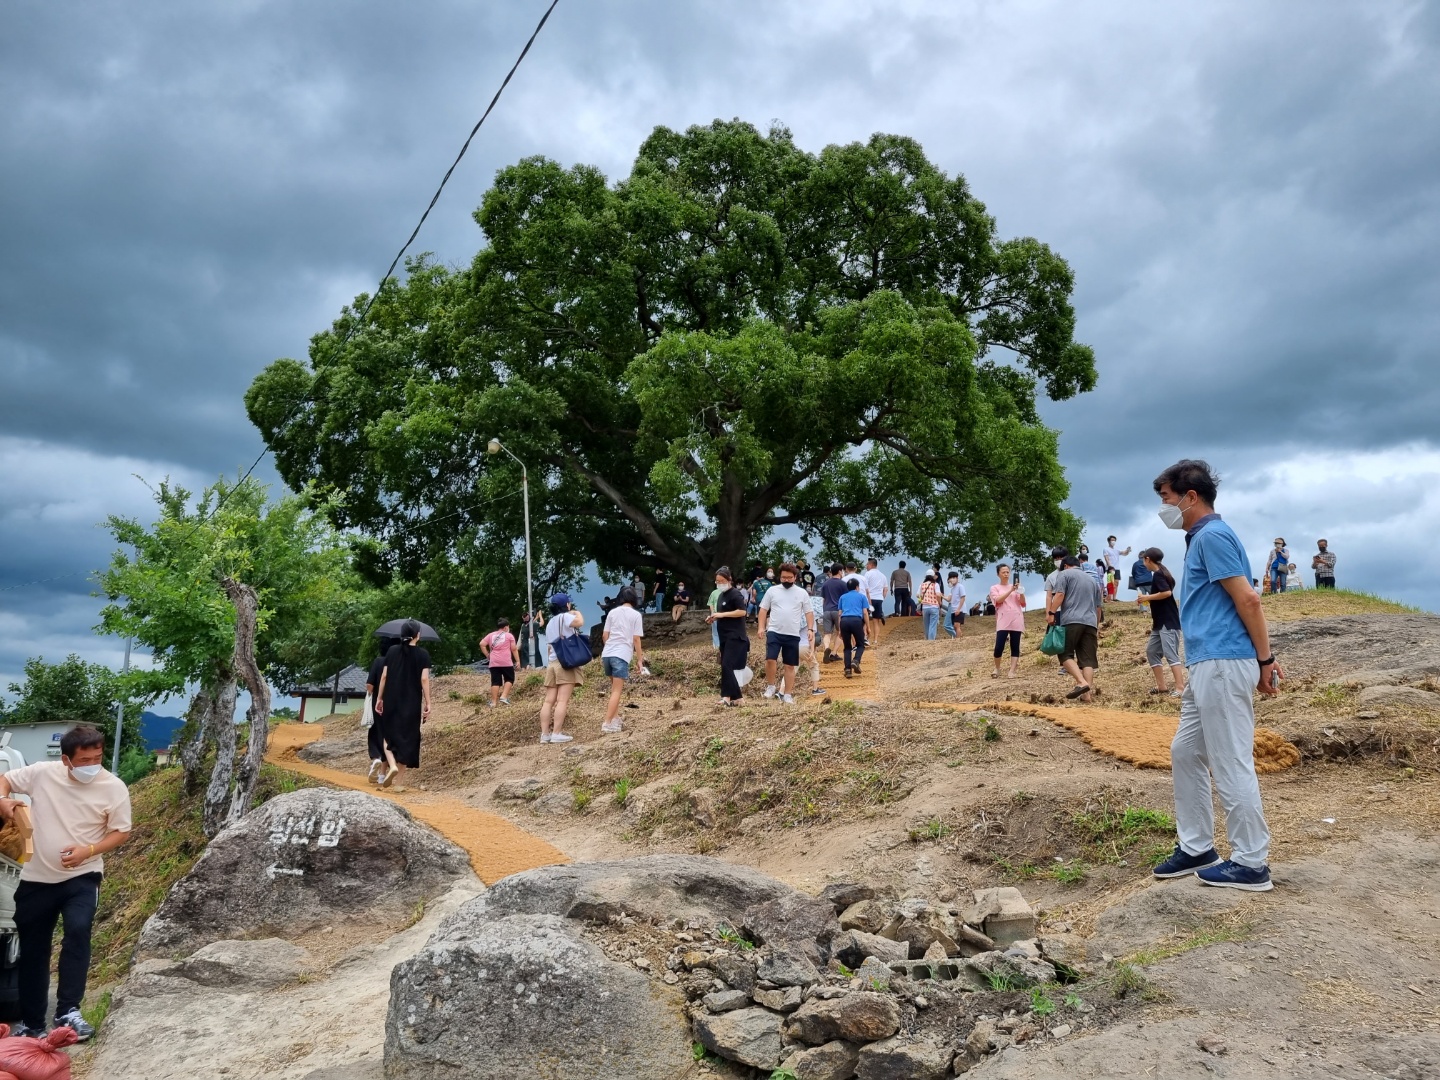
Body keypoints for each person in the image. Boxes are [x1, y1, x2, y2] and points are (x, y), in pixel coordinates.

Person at [1150, 459, 1280, 892]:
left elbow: (1249, 600)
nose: (1163, 507)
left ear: (1190, 497)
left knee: (1230, 759)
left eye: (1166, 498)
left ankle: (1250, 861)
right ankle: (1197, 847)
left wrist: (1265, 661)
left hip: (1224, 662)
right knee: (1185, 752)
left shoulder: (1213, 536)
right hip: (1206, 662)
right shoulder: (1201, 539)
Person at [0, 724, 131, 1042]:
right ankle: (33, 1023)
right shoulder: (42, 773)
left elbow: (121, 832)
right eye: (84, 760)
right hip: (36, 879)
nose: (92, 765)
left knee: (77, 929)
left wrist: (88, 850)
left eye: (97, 757)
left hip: (82, 877)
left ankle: (68, 1012)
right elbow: (5, 778)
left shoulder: (113, 787)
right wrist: (3, 800)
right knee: (33, 950)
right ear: (66, 760)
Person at [374, 620, 432, 787]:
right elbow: (424, 679)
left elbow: (384, 677)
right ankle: (399, 784)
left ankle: (391, 765)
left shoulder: (392, 651)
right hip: (412, 702)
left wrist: (379, 698)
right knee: (408, 738)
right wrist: (428, 702)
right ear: (418, 635)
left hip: (392, 698)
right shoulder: (423, 655)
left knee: (387, 735)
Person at [1047, 556, 1101, 701]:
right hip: (1090, 622)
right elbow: (1098, 607)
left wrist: (1051, 613)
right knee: (1087, 659)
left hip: (1071, 620)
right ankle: (1086, 695)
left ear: (1065, 566)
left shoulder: (1064, 575)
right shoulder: (1093, 581)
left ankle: (1081, 682)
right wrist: (1095, 625)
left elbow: (1059, 595)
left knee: (1065, 654)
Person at [759, 563, 813, 704]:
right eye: (783, 577)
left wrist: (811, 629)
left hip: (792, 634)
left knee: (789, 665)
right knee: (770, 659)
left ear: (795, 577)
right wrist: (760, 627)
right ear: (780, 577)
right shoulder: (772, 591)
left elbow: (809, 612)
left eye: (789, 577)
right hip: (774, 631)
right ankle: (771, 686)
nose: (786, 580)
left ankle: (787, 694)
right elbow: (763, 610)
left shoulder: (802, 593)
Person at [1136, 548, 1185, 696]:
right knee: (1152, 651)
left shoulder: (1158, 575)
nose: (1143, 563)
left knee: (1171, 655)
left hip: (1167, 622)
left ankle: (1180, 688)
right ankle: (1161, 686)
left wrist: (1147, 597)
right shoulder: (1162, 573)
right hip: (1159, 623)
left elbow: (1167, 593)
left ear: (1148, 559)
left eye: (1144, 560)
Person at [539, 594, 583, 744]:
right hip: (565, 663)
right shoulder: (565, 617)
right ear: (567, 605)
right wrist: (576, 612)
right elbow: (580, 622)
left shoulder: (550, 622)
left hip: (552, 663)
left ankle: (545, 735)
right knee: (562, 700)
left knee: (548, 701)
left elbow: (549, 647)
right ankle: (556, 733)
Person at [600, 587, 645, 734]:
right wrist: (640, 660)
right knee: (617, 691)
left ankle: (615, 719)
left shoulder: (612, 612)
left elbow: (604, 636)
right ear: (634, 598)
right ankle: (607, 723)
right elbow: (636, 639)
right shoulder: (636, 615)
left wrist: (609, 648)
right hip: (621, 655)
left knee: (614, 690)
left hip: (607, 654)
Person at [707, 566, 750, 705]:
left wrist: (722, 614)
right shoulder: (720, 596)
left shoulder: (735, 594)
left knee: (727, 665)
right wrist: (714, 617)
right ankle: (731, 697)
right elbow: (722, 615)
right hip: (724, 636)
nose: (719, 584)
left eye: (722, 581)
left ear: (729, 579)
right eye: (717, 582)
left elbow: (742, 612)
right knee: (725, 666)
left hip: (735, 636)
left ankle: (733, 697)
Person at [364, 638, 396, 783]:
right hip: (395, 704)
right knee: (388, 738)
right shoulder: (398, 663)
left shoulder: (378, 662)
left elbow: (370, 686)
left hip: (378, 704)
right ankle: (382, 775)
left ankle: (376, 757)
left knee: (376, 733)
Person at [989, 565, 1026, 677]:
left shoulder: (1015, 588)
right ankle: (997, 668)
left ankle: (1012, 670)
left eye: (1007, 572)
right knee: (999, 646)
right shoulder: (994, 588)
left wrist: (1021, 591)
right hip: (1003, 619)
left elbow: (1023, 603)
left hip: (1016, 617)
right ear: (998, 574)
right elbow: (998, 600)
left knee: (1015, 645)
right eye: (1003, 572)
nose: (1006, 574)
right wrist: (1010, 590)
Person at [837, 577, 871, 677]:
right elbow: (865, 613)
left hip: (844, 621)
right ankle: (856, 661)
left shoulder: (842, 597)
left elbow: (840, 614)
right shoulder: (862, 596)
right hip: (856, 621)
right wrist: (868, 627)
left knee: (847, 647)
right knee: (860, 644)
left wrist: (839, 629)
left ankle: (847, 670)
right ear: (857, 587)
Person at [480, 618, 518, 708]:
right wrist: (518, 661)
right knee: (509, 678)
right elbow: (514, 649)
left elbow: (481, 644)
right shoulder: (509, 636)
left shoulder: (490, 635)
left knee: (495, 681)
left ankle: (493, 702)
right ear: (505, 627)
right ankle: (504, 697)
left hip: (494, 662)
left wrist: (487, 655)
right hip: (506, 662)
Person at [820, 563, 847, 663]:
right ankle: (833, 653)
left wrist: (824, 609)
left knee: (827, 633)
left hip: (826, 610)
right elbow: (845, 599)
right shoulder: (843, 584)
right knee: (841, 633)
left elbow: (823, 599)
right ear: (840, 571)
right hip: (838, 611)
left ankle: (827, 647)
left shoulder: (826, 583)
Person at [916, 573, 943, 640]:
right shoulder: (935, 584)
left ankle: (927, 639)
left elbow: (917, 595)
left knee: (926, 625)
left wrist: (922, 597)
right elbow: (938, 595)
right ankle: (931, 640)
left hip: (925, 607)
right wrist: (939, 603)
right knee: (933, 625)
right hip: (934, 607)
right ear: (933, 576)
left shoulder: (922, 585)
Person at [862, 558, 888, 624]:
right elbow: (885, 589)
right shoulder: (883, 576)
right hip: (879, 598)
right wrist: (882, 598)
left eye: (867, 564)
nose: (866, 566)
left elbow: (864, 587)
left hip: (870, 598)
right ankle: (876, 634)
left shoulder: (868, 574)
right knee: (876, 619)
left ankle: (865, 633)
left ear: (871, 565)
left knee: (865, 616)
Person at [945, 571, 967, 639]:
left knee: (957, 625)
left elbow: (963, 598)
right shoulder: (952, 589)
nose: (952, 579)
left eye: (954, 577)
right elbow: (949, 599)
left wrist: (959, 609)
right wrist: (942, 596)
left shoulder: (960, 586)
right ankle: (960, 637)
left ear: (957, 578)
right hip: (953, 609)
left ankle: (957, 641)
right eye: (951, 578)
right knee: (954, 626)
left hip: (960, 609)